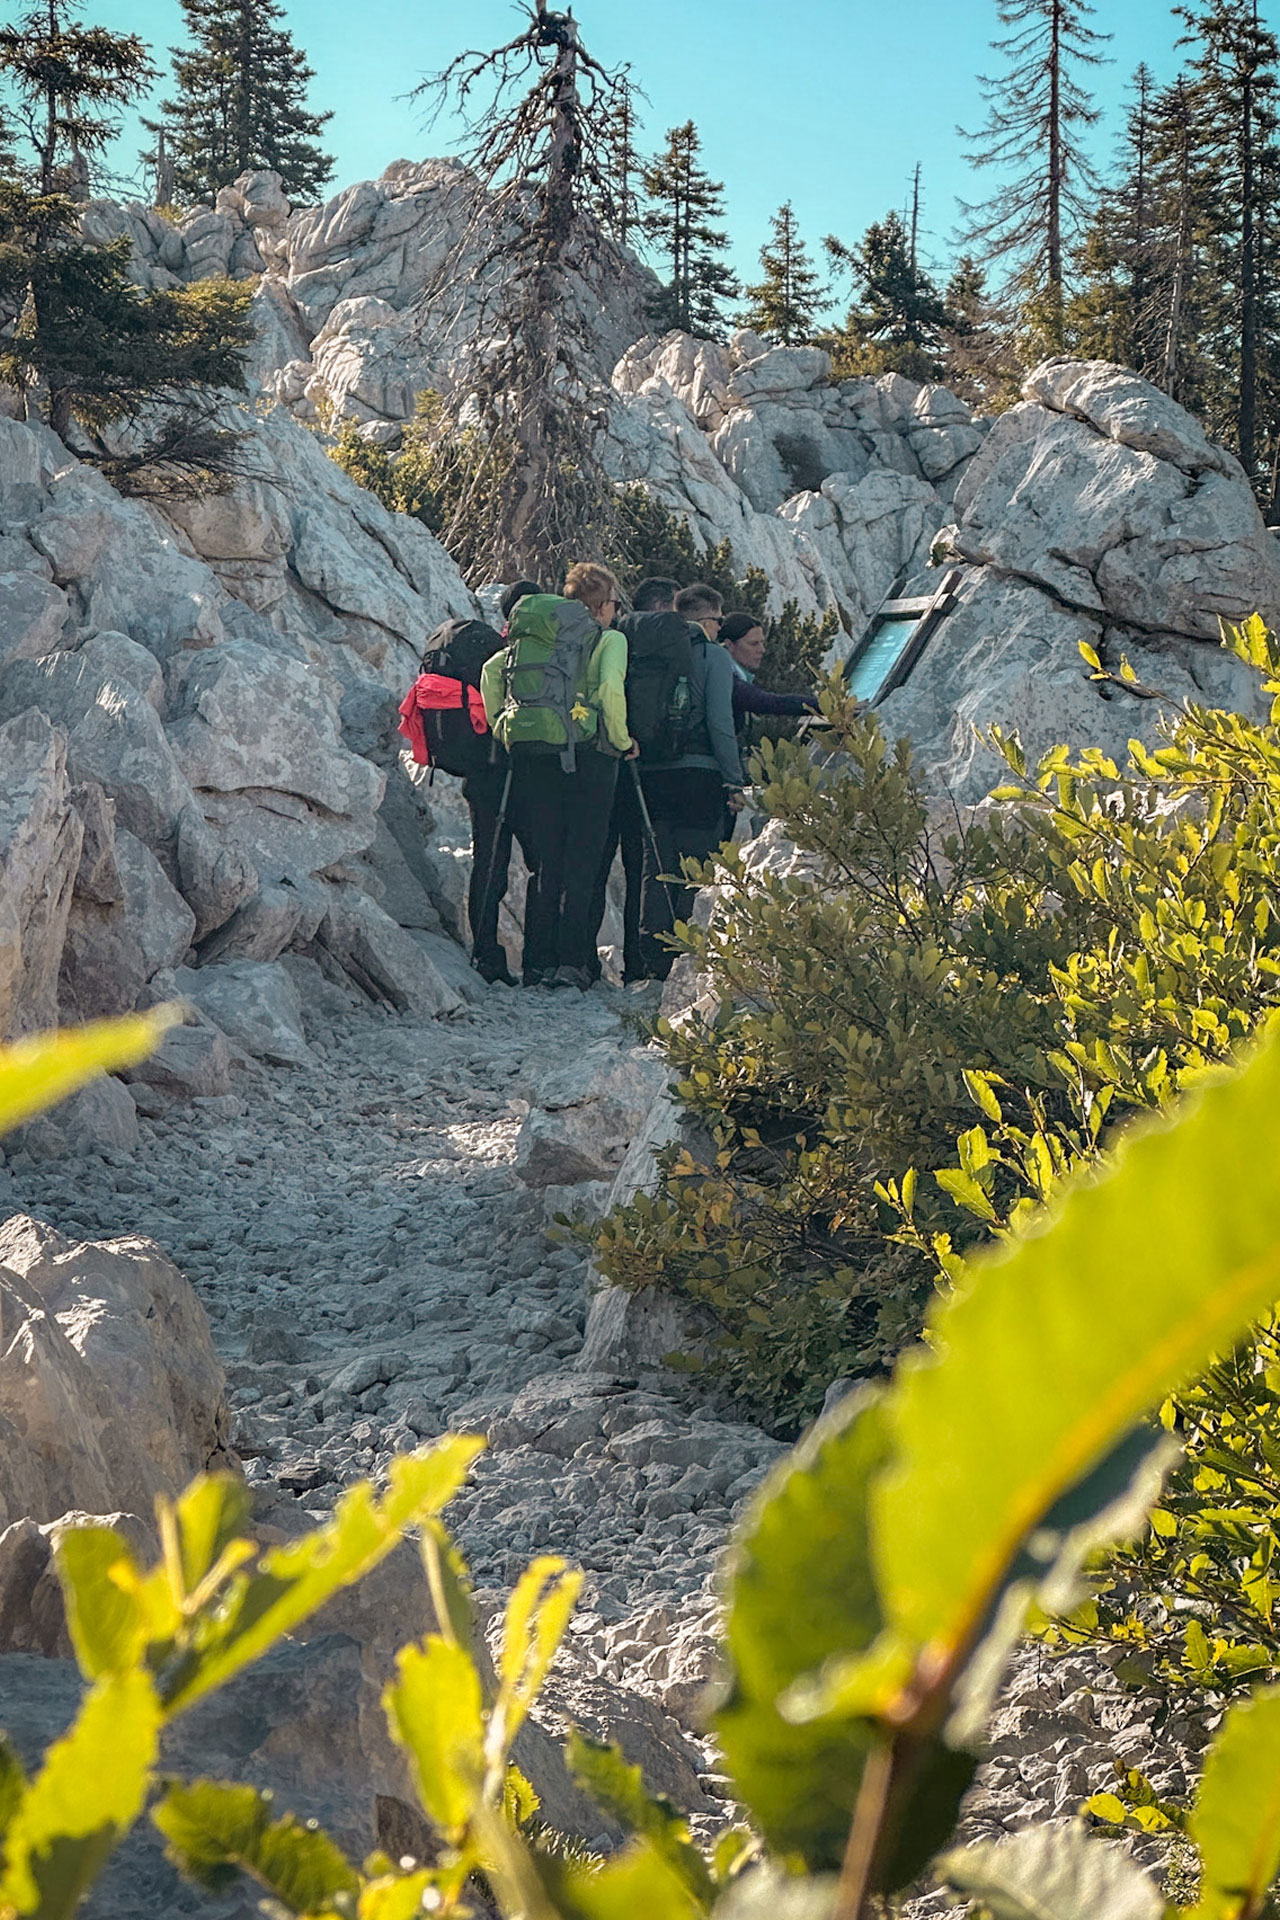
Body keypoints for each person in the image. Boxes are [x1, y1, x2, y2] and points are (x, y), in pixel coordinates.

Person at [481, 562, 635, 992]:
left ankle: (536, 963)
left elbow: (493, 672)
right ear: (603, 606)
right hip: (592, 758)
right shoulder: (609, 639)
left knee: (545, 863)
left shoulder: (539, 639)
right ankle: (571, 964)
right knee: (582, 862)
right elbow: (608, 689)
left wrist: (503, 725)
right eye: (614, 604)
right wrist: (622, 742)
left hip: (537, 755)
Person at [636, 582, 746, 979]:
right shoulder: (712, 655)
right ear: (705, 619)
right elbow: (720, 721)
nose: (720, 628)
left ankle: (652, 958)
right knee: (695, 867)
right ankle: (688, 959)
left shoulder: (649, 651)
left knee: (657, 865)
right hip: (699, 774)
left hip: (650, 773)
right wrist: (735, 781)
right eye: (718, 620)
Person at [586, 575, 685, 984]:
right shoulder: (663, 641)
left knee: (594, 863)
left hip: (605, 761)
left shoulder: (614, 636)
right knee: (638, 866)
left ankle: (581, 959)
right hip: (648, 760)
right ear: (662, 607)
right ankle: (636, 964)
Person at [460, 580, 541, 986]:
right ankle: (540, 959)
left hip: (481, 776)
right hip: (523, 774)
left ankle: (485, 954)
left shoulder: (486, 651)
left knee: (488, 865)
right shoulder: (528, 655)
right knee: (541, 865)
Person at [719, 611, 820, 732]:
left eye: (762, 643)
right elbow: (770, 703)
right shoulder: (723, 678)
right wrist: (825, 706)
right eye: (754, 644)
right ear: (729, 644)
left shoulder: (727, 671)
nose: (762, 650)